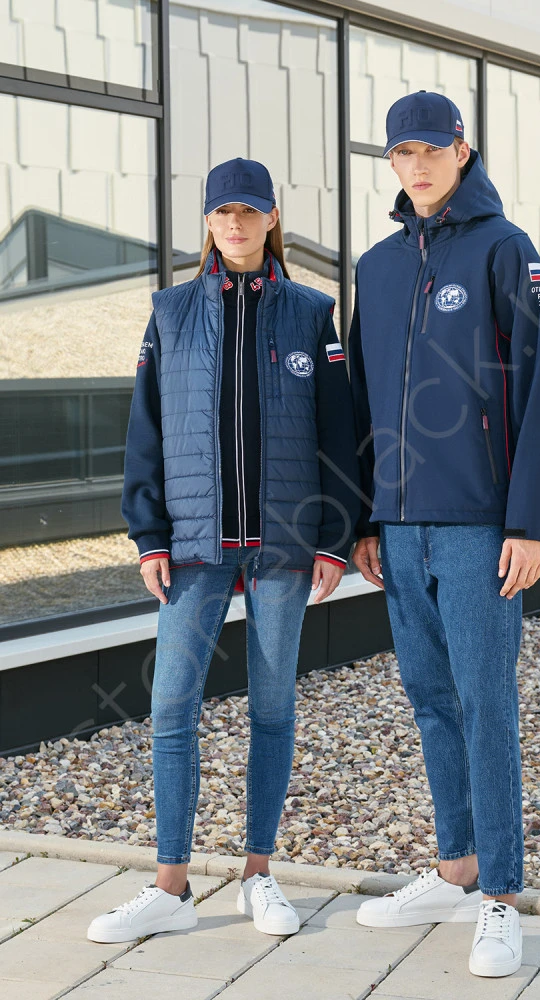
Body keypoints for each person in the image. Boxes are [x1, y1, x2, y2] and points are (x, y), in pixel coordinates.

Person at [87, 157, 360, 944]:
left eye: (248, 211)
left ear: (272, 217)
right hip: (194, 547)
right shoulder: (170, 313)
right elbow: (145, 430)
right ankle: (170, 887)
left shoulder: (311, 313)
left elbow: (339, 433)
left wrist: (334, 539)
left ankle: (258, 875)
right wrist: (149, 534)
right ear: (207, 221)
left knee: (272, 709)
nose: (235, 224)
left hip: (283, 546)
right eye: (221, 213)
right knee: (172, 706)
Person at [349, 91, 540, 978]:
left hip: (481, 526)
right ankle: (455, 869)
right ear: (392, 162)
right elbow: (361, 402)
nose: (419, 166)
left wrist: (531, 522)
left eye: (432, 150)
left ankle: (501, 896)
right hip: (399, 530)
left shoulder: (505, 248)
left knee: (485, 704)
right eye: (403, 153)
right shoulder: (376, 266)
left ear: (462, 150)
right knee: (432, 701)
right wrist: (364, 517)